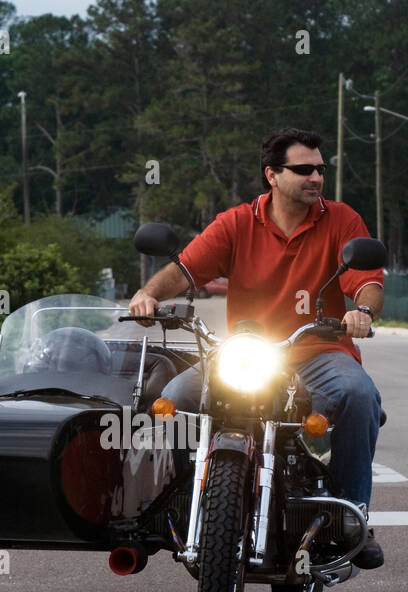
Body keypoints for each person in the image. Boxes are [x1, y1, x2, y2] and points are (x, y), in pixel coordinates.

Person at [128, 127, 386, 569]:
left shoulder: (341, 220)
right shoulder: (237, 223)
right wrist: (147, 295)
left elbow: (367, 282)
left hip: (318, 353)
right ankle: (187, 502)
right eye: (303, 170)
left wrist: (361, 311)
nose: (316, 178)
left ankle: (351, 516)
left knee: (360, 395)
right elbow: (186, 270)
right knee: (173, 400)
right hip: (245, 353)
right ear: (272, 174)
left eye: (320, 170)